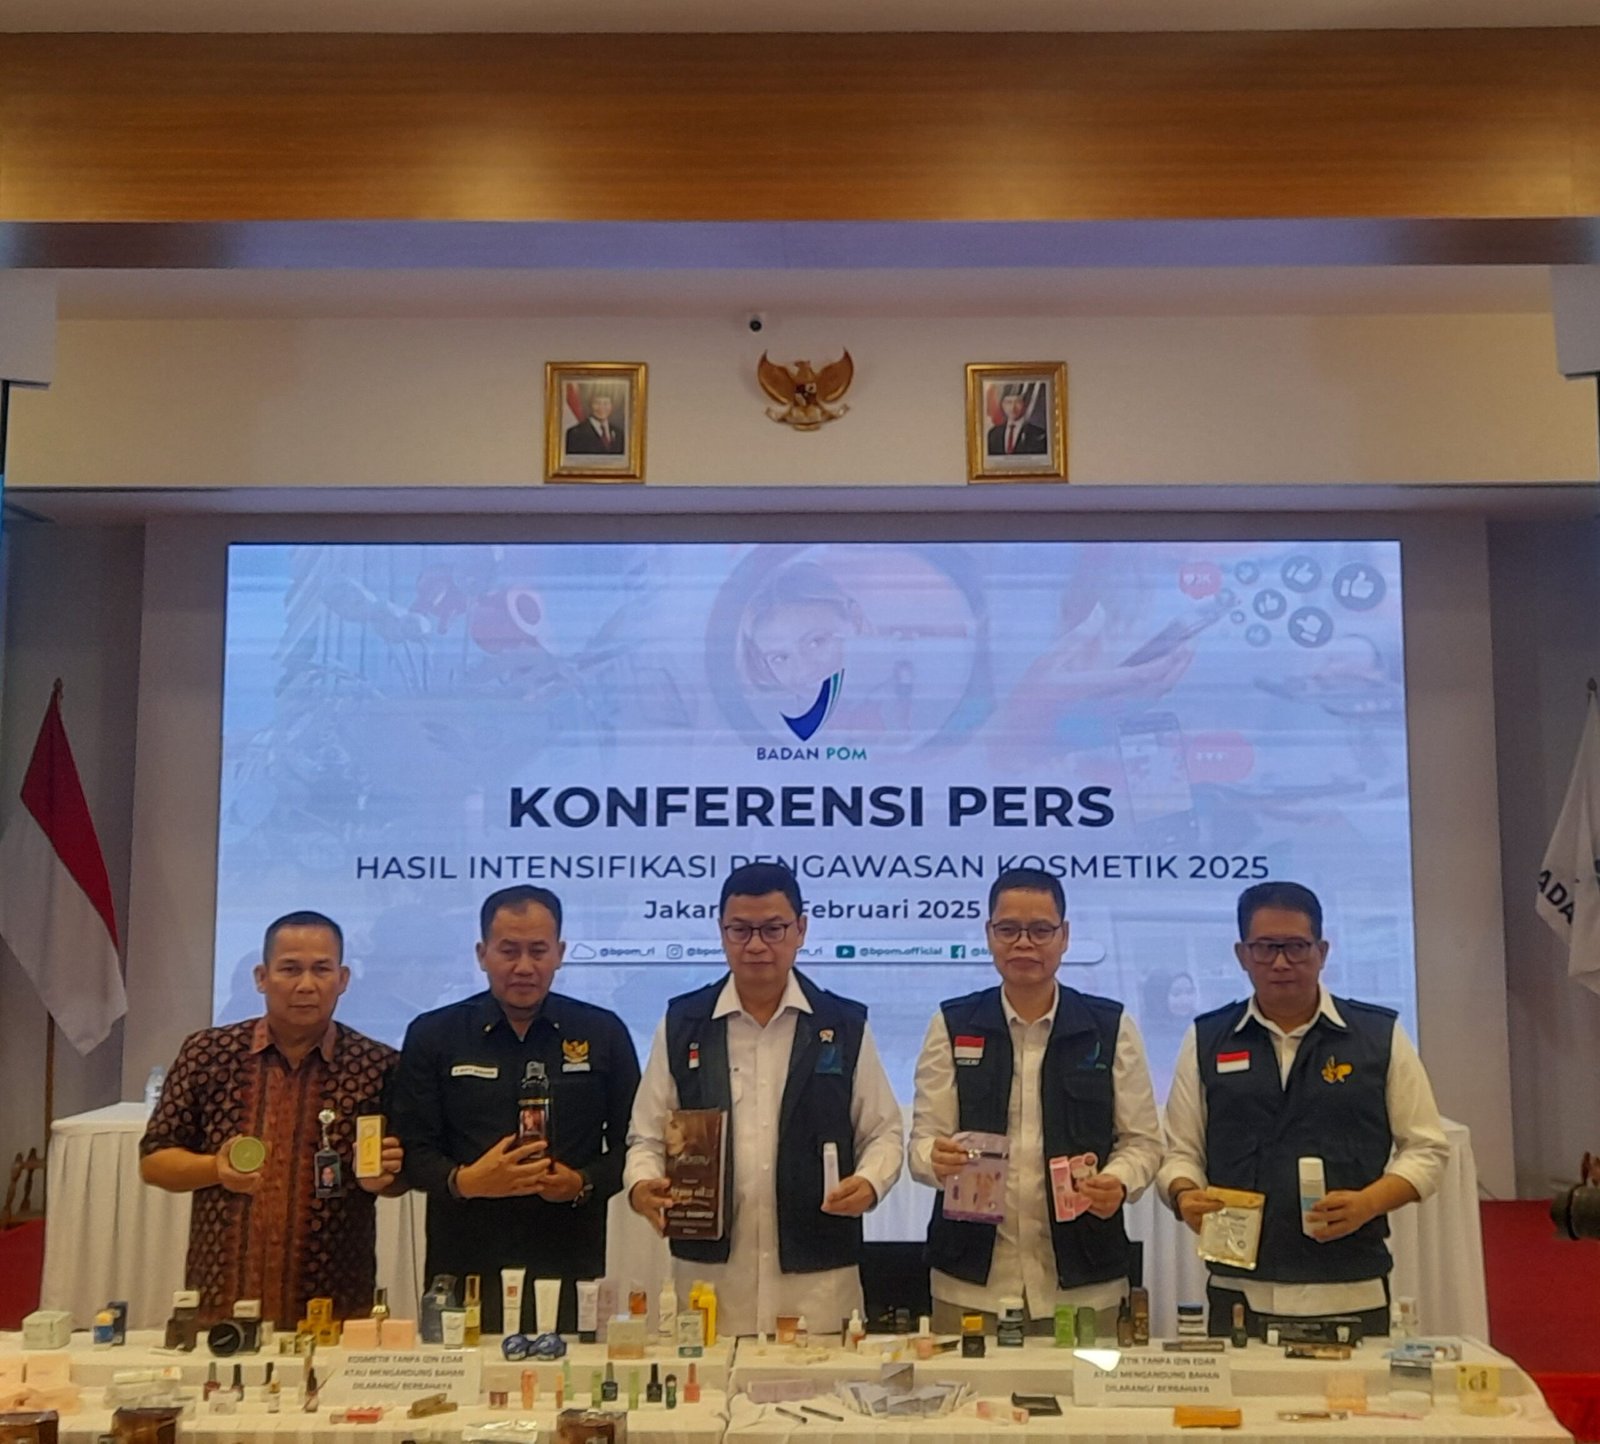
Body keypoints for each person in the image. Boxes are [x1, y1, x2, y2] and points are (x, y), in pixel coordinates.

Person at [625, 861, 904, 1337]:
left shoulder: (843, 1024)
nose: (756, 945)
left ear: (801, 930)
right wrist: (641, 1185)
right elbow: (646, 1137)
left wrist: (870, 1181)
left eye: (773, 929)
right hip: (710, 1281)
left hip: (817, 1283)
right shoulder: (683, 1024)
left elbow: (884, 1133)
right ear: (721, 932)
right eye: (741, 930)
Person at [1159, 881, 1449, 1337]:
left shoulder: (1377, 1035)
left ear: (1322, 951)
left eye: (1296, 946)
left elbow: (1427, 1150)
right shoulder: (1207, 1038)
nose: (1280, 962)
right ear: (1242, 954)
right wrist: (1183, 1194)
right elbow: (1181, 1152)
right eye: (1265, 948)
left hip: (1351, 1285)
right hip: (1239, 1290)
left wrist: (1369, 1202)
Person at [910, 868, 1165, 1334]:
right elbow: (924, 1140)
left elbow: (1143, 1143)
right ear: (989, 934)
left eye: (1040, 930)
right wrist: (934, 1158)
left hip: (1084, 1284)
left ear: (1064, 936)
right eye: (1008, 929)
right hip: (970, 1282)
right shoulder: (952, 1023)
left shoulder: (1109, 1027)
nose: (1023, 943)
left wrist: (1119, 1180)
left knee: (1090, 1386)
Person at [390, 885, 640, 1333]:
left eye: (538, 951)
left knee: (569, 1374)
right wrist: (466, 1181)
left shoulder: (602, 1032)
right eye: (509, 951)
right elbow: (412, 1148)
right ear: (482, 954)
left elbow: (635, 1145)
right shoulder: (433, 1035)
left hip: (569, 1260)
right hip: (464, 1261)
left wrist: (582, 1183)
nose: (524, 966)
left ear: (560, 953)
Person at [140, 911, 404, 1327]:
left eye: (321, 969)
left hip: (334, 1305)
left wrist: (385, 1179)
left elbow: (399, 1177)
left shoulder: (378, 1065)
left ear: (343, 979)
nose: (306, 985)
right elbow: (154, 1161)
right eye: (290, 969)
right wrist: (215, 1169)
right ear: (261, 977)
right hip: (221, 1300)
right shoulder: (207, 1053)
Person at [985, 389, 1047, 457]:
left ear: (1025, 404)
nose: (1013, 407)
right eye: (1008, 402)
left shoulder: (1039, 434)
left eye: (1018, 402)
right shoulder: (993, 434)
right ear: (1002, 405)